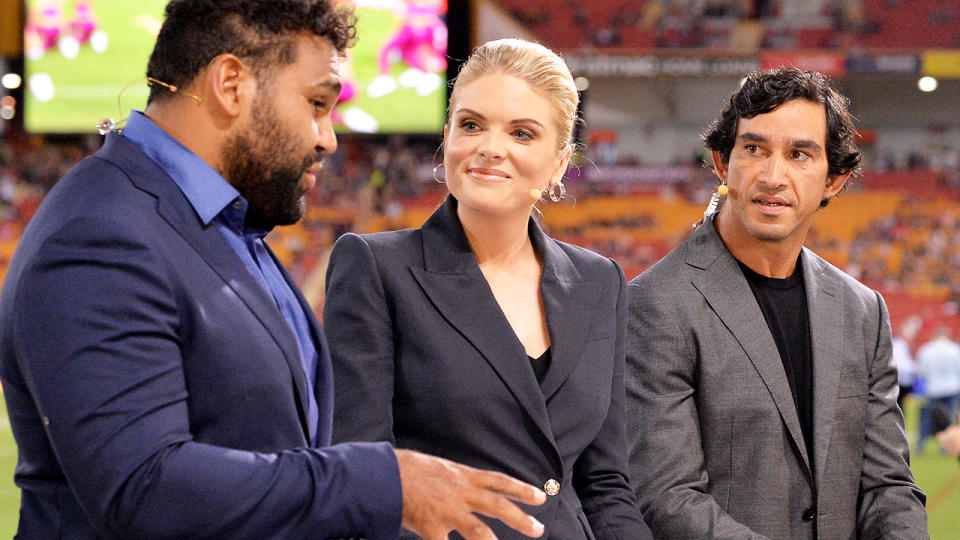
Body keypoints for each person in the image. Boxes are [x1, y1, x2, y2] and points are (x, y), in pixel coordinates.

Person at [0, 2, 549, 538]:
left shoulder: (223, 222)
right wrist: (386, 482)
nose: (327, 138)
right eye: (316, 102)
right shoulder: (102, 233)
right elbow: (144, 488)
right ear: (231, 84)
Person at [324, 38, 653, 539]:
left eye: (522, 133)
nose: (489, 148)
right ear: (448, 135)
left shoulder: (600, 281)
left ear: (560, 162)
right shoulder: (375, 267)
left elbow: (604, 484)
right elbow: (361, 476)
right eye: (471, 124)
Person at [625, 68, 928, 538]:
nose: (772, 175)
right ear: (723, 164)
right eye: (754, 149)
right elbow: (667, 498)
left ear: (835, 180)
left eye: (799, 154)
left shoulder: (862, 310)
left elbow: (888, 486)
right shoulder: (655, 303)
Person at [914, 327, 960, 452]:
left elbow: (921, 371)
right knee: (949, 418)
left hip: (933, 388)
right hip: (952, 387)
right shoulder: (954, 349)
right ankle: (945, 447)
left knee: (928, 417)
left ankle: (921, 444)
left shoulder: (926, 350)